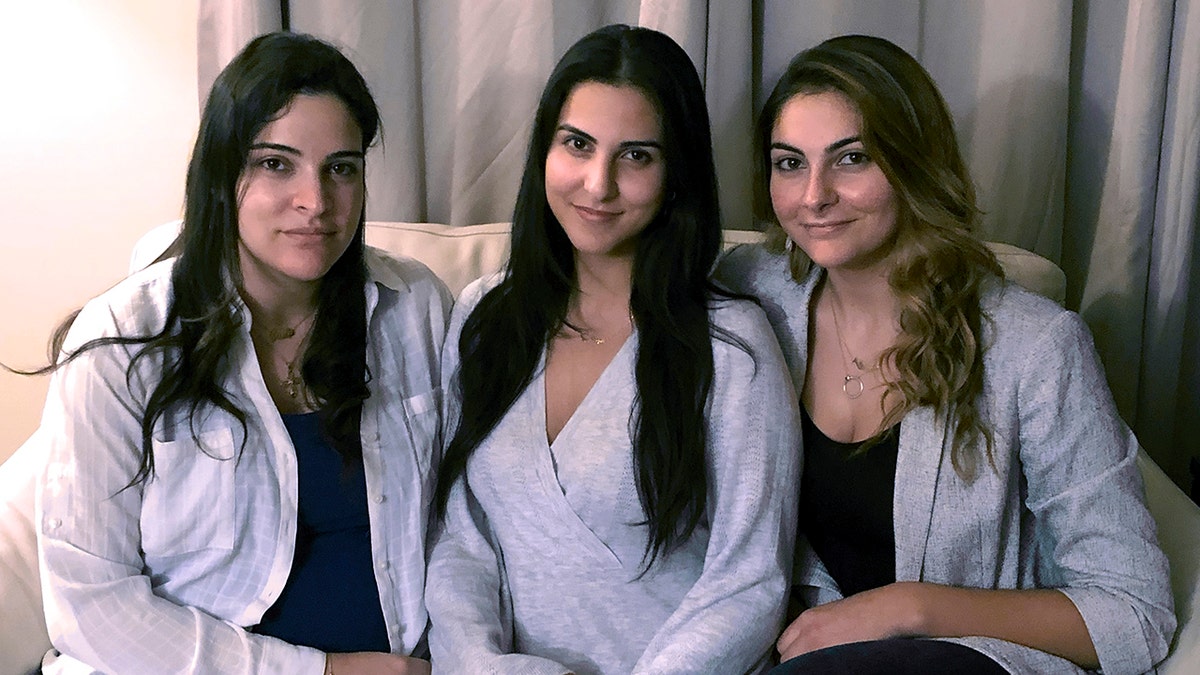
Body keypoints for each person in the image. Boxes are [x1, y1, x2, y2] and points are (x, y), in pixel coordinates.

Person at [716, 34, 1176, 675]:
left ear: (914, 165)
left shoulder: (1035, 348)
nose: (813, 196)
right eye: (789, 163)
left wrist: (908, 607)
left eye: (850, 159)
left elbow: (1134, 613)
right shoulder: (751, 291)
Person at [32, 32, 448, 674]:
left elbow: (468, 523)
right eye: (277, 164)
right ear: (223, 175)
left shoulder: (416, 307)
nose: (315, 202)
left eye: (341, 167)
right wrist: (323, 673)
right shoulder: (120, 345)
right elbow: (90, 606)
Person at [425, 24, 800, 674]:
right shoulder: (484, 317)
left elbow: (749, 583)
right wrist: (481, 665)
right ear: (545, 148)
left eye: (636, 156)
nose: (597, 184)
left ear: (676, 172)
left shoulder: (732, 347)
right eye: (577, 144)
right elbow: (460, 534)